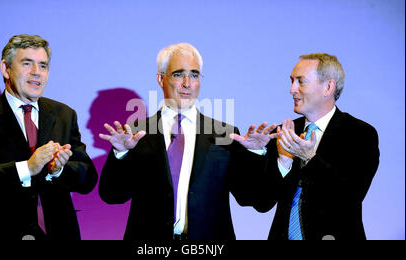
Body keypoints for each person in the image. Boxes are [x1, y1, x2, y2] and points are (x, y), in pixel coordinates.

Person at [98, 43, 278, 240]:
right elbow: (112, 195)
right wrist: (121, 154)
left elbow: (251, 198)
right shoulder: (136, 134)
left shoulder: (224, 134)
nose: (187, 83)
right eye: (178, 74)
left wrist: (255, 155)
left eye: (194, 75)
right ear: (161, 79)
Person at [0, 34, 98, 240]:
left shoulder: (64, 114)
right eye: (27, 63)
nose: (36, 73)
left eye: (43, 66)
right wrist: (26, 168)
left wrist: (58, 171)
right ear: (6, 68)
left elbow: (87, 179)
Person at [257, 53, 380, 240]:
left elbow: (350, 197)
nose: (292, 90)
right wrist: (270, 156)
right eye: (291, 81)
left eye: (301, 82)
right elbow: (262, 202)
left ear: (328, 87)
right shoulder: (286, 132)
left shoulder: (360, 134)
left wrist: (311, 158)